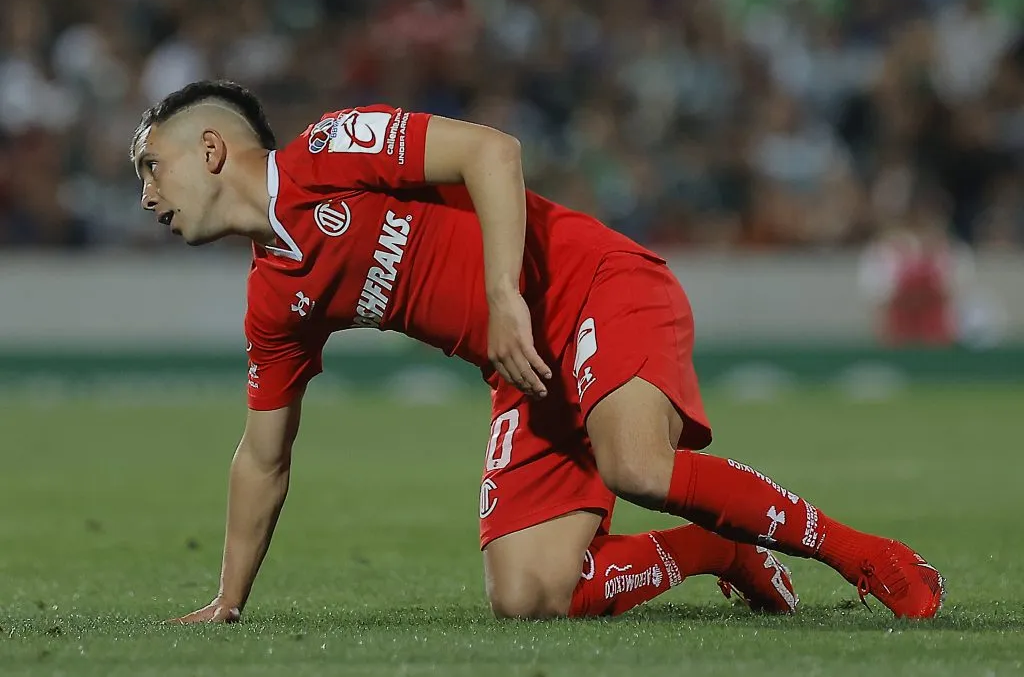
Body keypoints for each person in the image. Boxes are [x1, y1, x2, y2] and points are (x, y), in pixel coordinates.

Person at [131, 80, 944, 623]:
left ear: (210, 151)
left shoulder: (330, 149)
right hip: (526, 367)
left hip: (596, 285)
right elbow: (263, 455)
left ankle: (866, 556)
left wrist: (501, 293)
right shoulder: (274, 297)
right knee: (528, 595)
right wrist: (228, 601)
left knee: (636, 466)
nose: (146, 195)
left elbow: (493, 151)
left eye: (151, 166)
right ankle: (714, 546)